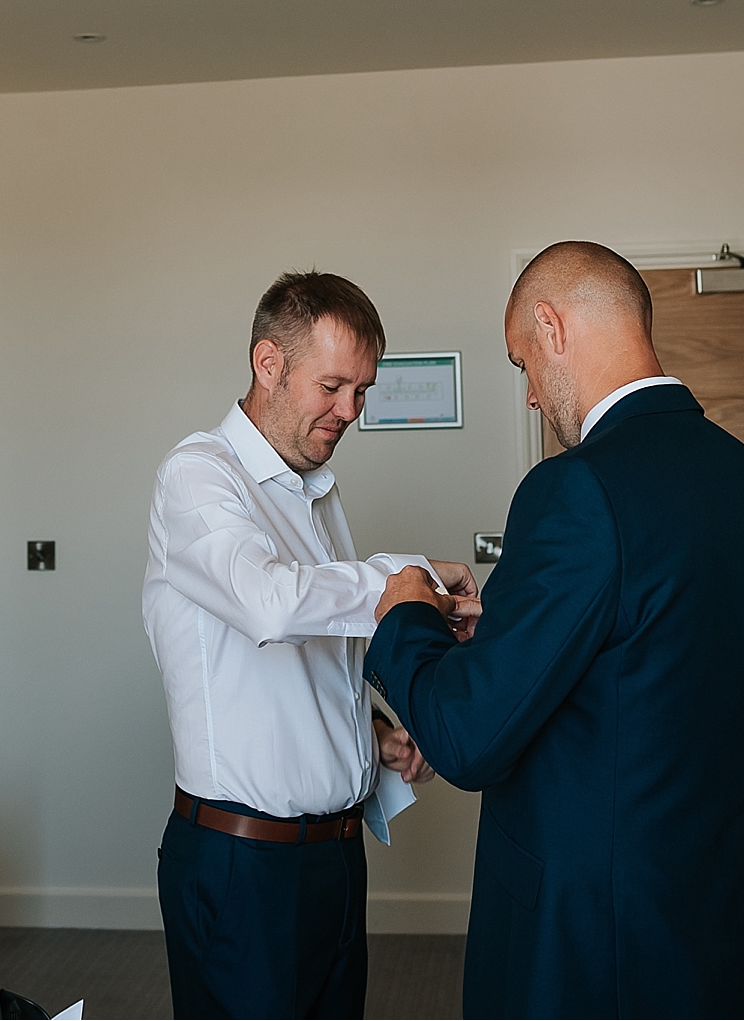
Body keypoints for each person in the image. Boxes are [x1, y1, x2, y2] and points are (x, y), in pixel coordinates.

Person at [363, 241, 744, 1018]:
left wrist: (405, 613)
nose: (533, 396)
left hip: (599, 949)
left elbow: (470, 738)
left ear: (551, 326)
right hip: (732, 927)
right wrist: (505, 637)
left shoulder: (575, 490)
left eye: (521, 364)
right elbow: (648, 664)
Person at [144, 270, 480, 1019]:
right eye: (333, 386)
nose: (350, 411)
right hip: (243, 865)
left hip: (333, 857)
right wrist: (406, 581)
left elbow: (313, 657)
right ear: (270, 364)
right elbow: (269, 604)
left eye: (363, 391)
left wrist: (378, 735)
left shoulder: (316, 491)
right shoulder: (199, 477)